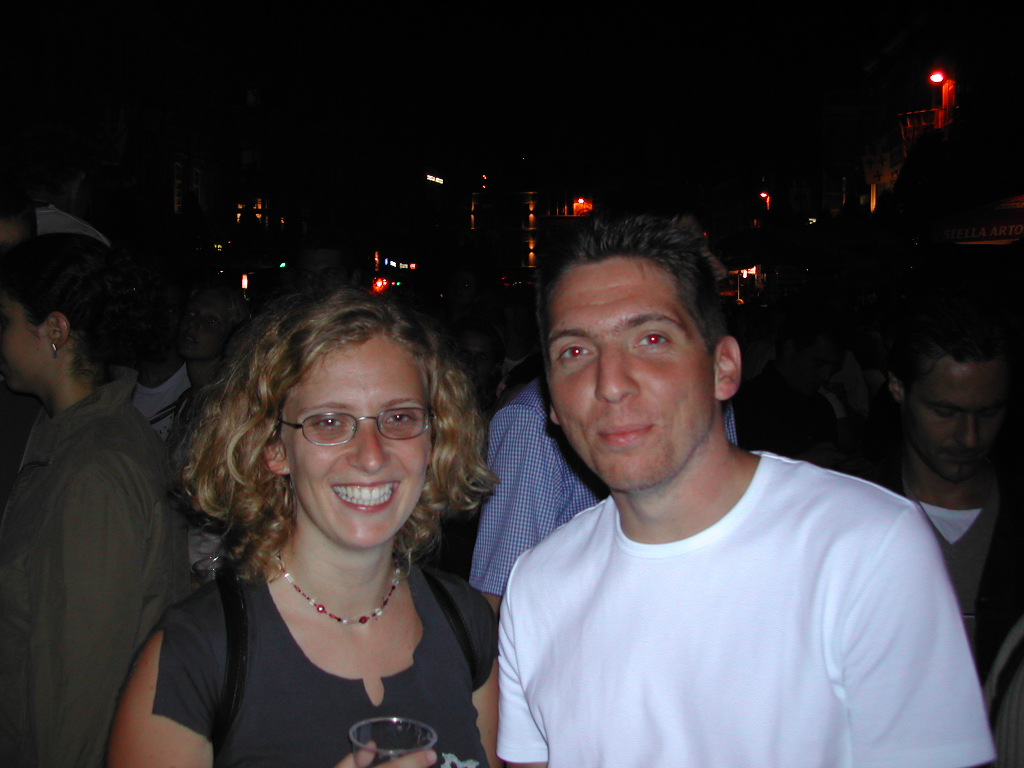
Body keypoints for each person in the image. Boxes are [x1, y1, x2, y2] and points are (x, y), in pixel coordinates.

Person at [496, 214, 993, 767]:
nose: (610, 382)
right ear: (551, 403)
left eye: (652, 339)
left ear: (724, 367)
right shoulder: (536, 584)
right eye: (575, 352)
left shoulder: (866, 548)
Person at [108, 289, 500, 768]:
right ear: (273, 447)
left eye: (400, 417)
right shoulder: (197, 655)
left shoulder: (467, 623)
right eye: (330, 422)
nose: (372, 455)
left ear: (435, 438)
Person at [0, 233, 189, 768]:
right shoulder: (70, 437)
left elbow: (76, 684)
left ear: (54, 331)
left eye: (4, 320)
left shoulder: (96, 468)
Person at [870, 294, 1022, 679]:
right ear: (898, 388)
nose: (970, 438)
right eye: (946, 412)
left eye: (989, 412)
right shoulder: (850, 518)